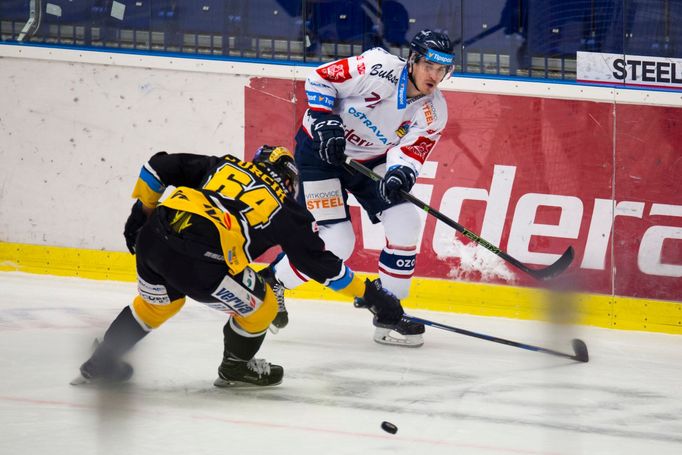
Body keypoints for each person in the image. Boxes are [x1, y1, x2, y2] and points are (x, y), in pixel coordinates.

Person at [71, 146, 407, 387]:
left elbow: (159, 165)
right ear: (290, 182)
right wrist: (372, 295)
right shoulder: (286, 209)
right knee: (265, 307)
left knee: (155, 307)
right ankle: (237, 366)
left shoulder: (221, 166)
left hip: (154, 237)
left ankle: (104, 358)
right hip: (203, 264)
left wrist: (141, 211)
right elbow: (321, 265)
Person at [265, 29, 455, 347]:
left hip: (369, 162)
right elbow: (320, 78)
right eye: (429, 67)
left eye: (442, 69)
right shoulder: (377, 68)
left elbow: (411, 152)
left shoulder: (434, 112)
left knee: (405, 221)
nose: (434, 76)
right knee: (337, 242)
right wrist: (326, 121)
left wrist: (400, 174)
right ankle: (272, 282)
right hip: (321, 153)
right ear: (413, 61)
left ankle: (389, 314)